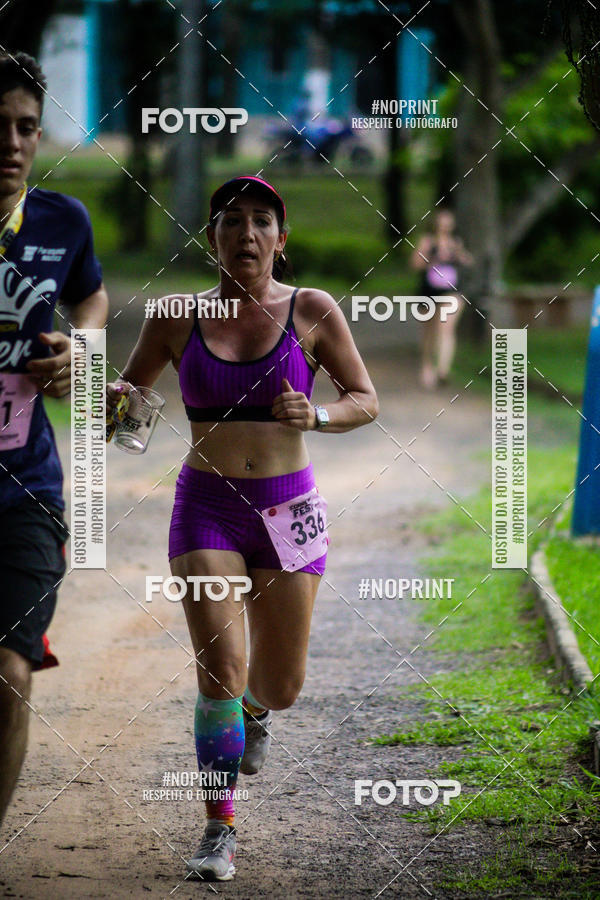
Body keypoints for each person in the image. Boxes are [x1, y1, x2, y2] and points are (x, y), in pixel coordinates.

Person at [107, 175, 378, 881]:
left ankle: (257, 712)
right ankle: (217, 830)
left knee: (280, 684)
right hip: (208, 508)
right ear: (213, 238)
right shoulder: (173, 315)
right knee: (219, 671)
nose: (246, 233)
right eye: (231, 220)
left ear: (281, 241)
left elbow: (364, 400)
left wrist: (316, 416)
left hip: (291, 510)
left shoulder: (312, 310)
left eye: (261, 221)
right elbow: (127, 410)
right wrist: (111, 401)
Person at [0, 52, 109, 826]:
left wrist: (83, 349)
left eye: (26, 127)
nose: (12, 142)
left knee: (10, 668)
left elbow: (92, 296)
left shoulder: (62, 221)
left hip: (24, 488)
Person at [410, 207, 473, 389]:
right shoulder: (427, 242)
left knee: (446, 329)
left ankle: (443, 369)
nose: (445, 225)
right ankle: (427, 365)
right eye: (442, 221)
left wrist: (459, 256)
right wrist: (432, 259)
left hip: (452, 291)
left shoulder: (456, 243)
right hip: (429, 291)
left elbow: (468, 261)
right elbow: (415, 264)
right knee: (429, 332)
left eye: (448, 222)